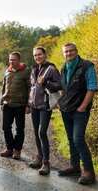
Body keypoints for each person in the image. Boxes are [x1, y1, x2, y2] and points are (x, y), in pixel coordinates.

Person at [57, 42, 98, 185]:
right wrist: (60, 103)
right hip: (66, 109)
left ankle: (89, 172)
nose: (68, 53)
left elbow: (92, 88)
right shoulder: (64, 68)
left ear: (76, 51)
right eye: (66, 51)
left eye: (71, 51)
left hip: (80, 110)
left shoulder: (87, 66)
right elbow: (64, 88)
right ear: (63, 54)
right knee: (71, 139)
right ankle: (74, 167)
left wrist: (83, 106)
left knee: (78, 139)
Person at [28, 46, 61, 175]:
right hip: (34, 105)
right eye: (35, 55)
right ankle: (39, 158)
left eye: (39, 54)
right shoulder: (34, 69)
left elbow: (60, 85)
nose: (37, 57)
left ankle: (46, 163)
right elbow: (32, 87)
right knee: (36, 132)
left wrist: (46, 82)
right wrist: (28, 103)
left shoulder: (51, 69)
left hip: (45, 106)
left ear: (45, 55)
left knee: (42, 132)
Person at [0, 52, 31, 159]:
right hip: (7, 104)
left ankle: (17, 150)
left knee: (20, 128)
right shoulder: (7, 72)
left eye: (14, 60)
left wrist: (28, 105)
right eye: (10, 60)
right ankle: (9, 148)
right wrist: (1, 102)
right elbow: (4, 88)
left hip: (20, 105)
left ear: (19, 60)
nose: (11, 62)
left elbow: (30, 89)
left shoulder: (26, 72)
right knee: (6, 127)